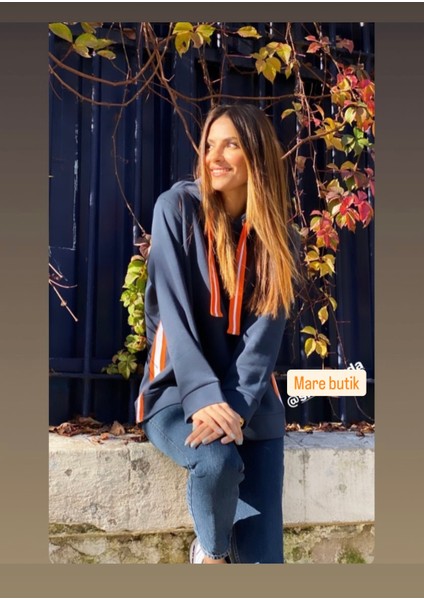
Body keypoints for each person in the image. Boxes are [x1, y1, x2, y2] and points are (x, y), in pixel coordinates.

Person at [135, 103, 300, 564]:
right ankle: (210, 556)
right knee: (215, 461)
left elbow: (263, 342)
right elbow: (174, 316)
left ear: (257, 156)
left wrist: (233, 408)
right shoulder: (175, 209)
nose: (214, 157)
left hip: (251, 404)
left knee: (265, 564)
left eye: (231, 145)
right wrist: (203, 395)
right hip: (175, 391)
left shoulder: (281, 240)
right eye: (209, 145)